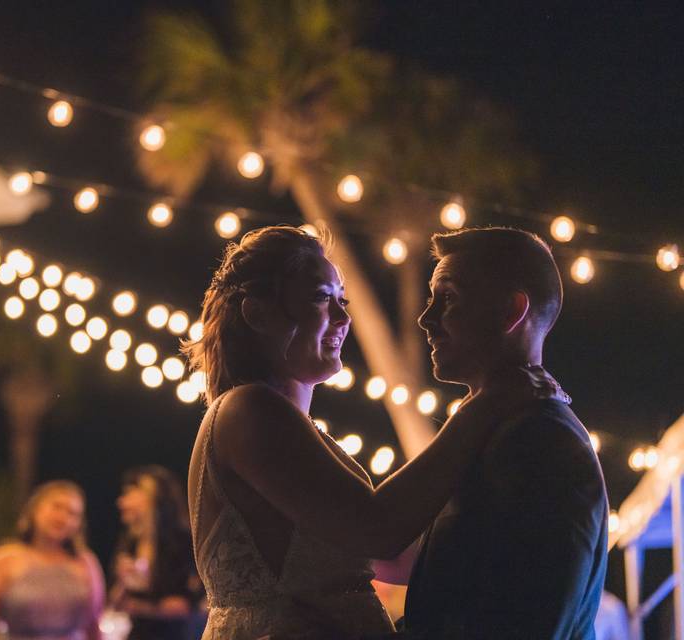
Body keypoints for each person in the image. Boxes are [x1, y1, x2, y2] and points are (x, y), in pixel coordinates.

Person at [184, 225, 564, 639]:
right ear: (258, 313)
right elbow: (376, 529)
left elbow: (400, 559)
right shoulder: (248, 409)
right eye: (321, 297)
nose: (344, 317)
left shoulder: (298, 432)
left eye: (342, 300)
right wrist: (484, 405)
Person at [400, 227, 608, 638]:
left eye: (448, 298)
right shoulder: (500, 431)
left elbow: (524, 621)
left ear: (513, 311)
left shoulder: (540, 442)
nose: (426, 319)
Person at [0, 480, 104, 640]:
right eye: (57, 507)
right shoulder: (5, 558)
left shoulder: (86, 562)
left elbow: (94, 628)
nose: (63, 517)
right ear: (35, 509)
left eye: (72, 513)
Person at [110, 465, 203, 640]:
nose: (121, 502)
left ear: (152, 495)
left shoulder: (182, 542)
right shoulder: (130, 542)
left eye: (129, 493)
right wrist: (123, 582)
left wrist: (139, 607)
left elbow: (184, 606)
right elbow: (116, 603)